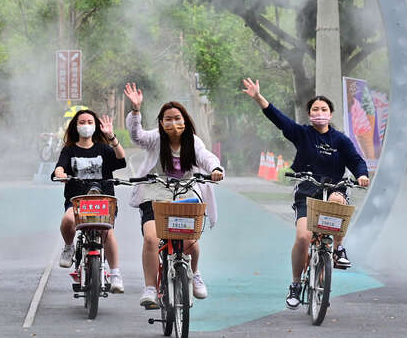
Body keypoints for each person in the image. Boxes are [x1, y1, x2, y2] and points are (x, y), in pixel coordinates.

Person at [240, 78, 369, 310]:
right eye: (315, 109)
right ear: (309, 114)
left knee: (337, 200)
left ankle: (338, 248)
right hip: (308, 189)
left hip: (334, 188)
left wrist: (362, 175)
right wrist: (258, 97)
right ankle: (296, 284)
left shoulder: (340, 140)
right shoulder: (302, 133)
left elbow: (356, 160)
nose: (319, 113)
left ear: (330, 114)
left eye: (324, 109)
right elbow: (278, 119)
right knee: (303, 237)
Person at [123, 83, 225, 309]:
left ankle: (195, 273)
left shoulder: (193, 142)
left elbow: (206, 158)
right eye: (167, 119)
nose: (173, 123)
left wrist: (216, 169)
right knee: (151, 238)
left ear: (185, 120)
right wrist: (136, 110)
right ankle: (150, 287)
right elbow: (137, 136)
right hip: (155, 192)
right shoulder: (155, 139)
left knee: (190, 241)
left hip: (186, 193)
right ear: (161, 123)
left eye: (177, 118)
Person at [52, 109, 127, 293]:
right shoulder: (69, 150)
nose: (86, 125)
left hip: (104, 200)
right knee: (67, 220)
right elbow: (59, 168)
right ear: (75, 126)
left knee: (107, 232)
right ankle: (68, 247)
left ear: (95, 126)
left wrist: (112, 137)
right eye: (82, 122)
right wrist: (60, 173)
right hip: (77, 201)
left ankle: (115, 274)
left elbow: (121, 159)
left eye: (89, 122)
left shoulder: (104, 149)